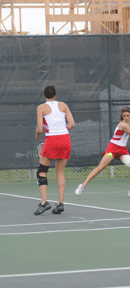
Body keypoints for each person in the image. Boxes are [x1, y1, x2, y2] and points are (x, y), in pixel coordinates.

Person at [75, 106, 130, 198]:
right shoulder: (123, 125)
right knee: (100, 167)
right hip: (112, 149)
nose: (125, 117)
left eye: (127, 115)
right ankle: (82, 185)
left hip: (122, 150)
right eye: (124, 116)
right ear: (122, 116)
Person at [34, 85, 75, 215]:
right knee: (60, 172)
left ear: (44, 95)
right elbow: (72, 123)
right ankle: (60, 204)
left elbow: (40, 129)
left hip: (52, 140)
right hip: (65, 139)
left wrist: (37, 135)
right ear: (55, 95)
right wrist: (63, 131)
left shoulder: (41, 107)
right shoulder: (63, 105)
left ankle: (44, 203)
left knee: (42, 171)